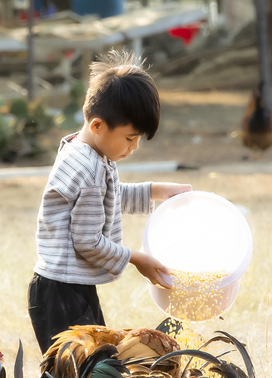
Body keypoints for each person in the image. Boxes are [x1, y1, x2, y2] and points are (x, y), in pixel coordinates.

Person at [28, 51, 192, 354]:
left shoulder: (87, 151)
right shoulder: (89, 169)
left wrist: (158, 190)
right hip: (61, 293)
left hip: (66, 285)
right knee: (83, 376)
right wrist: (135, 258)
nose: (135, 147)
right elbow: (87, 242)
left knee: (98, 366)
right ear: (98, 126)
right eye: (130, 138)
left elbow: (110, 197)